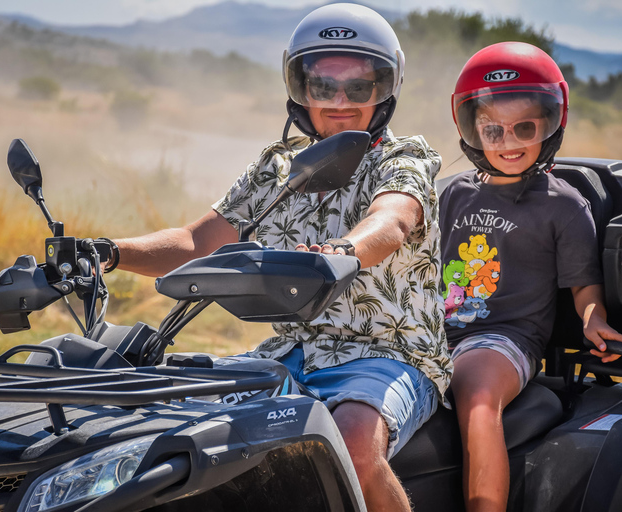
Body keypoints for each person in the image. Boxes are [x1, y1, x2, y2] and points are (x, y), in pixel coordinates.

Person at [99, 4, 451, 511]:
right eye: (323, 85)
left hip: (391, 354)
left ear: (386, 87)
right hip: (292, 353)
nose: (340, 101)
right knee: (171, 418)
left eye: (359, 86)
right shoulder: (278, 168)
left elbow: (391, 221)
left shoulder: (404, 158)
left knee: (352, 444)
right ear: (299, 89)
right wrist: (108, 252)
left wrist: (344, 251)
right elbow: (197, 243)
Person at [441, 41, 622, 512]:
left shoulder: (563, 205)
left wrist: (593, 319)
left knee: (478, 396)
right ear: (472, 130)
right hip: (435, 332)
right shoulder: (452, 194)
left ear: (551, 123)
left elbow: (583, 284)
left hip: (505, 339)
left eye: (524, 127)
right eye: (492, 129)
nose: (508, 141)